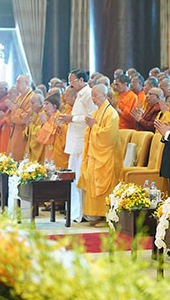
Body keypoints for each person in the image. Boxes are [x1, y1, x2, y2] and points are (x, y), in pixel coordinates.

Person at [78, 84, 122, 226]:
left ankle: (106, 216)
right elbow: (91, 131)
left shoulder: (111, 113)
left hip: (106, 156)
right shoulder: (98, 111)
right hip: (95, 154)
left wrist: (94, 127)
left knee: (104, 185)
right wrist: (92, 127)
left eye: (95, 96)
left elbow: (108, 137)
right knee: (92, 181)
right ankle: (96, 215)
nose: (93, 99)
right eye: (92, 96)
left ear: (104, 95)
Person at [59, 69, 97, 223]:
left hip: (82, 142)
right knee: (72, 177)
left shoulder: (88, 94)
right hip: (75, 142)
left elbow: (91, 116)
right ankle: (74, 211)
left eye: (72, 81)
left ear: (81, 80)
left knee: (79, 178)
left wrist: (72, 118)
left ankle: (81, 212)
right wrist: (69, 118)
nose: (70, 84)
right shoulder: (80, 95)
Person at [7, 75, 34, 161]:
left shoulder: (31, 98)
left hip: (23, 135)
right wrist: (15, 111)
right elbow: (12, 117)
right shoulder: (19, 97)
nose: (16, 84)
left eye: (18, 82)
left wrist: (14, 109)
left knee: (20, 160)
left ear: (26, 83)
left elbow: (26, 118)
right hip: (14, 133)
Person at [24, 93, 45, 163]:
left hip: (40, 149)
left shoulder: (43, 114)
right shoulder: (34, 114)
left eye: (33, 103)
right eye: (30, 103)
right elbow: (28, 131)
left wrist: (30, 125)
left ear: (41, 103)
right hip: (31, 149)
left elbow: (41, 131)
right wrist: (28, 126)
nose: (30, 105)